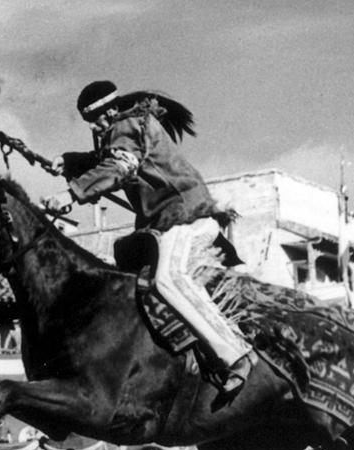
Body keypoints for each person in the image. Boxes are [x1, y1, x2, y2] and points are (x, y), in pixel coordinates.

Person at [57, 80, 252, 395]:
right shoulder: (128, 127)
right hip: (168, 225)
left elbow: (121, 164)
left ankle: (237, 355)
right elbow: (111, 157)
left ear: (110, 110)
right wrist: (73, 163)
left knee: (168, 279)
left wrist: (73, 192)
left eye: (93, 118)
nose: (92, 126)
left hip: (185, 219)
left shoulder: (128, 124)